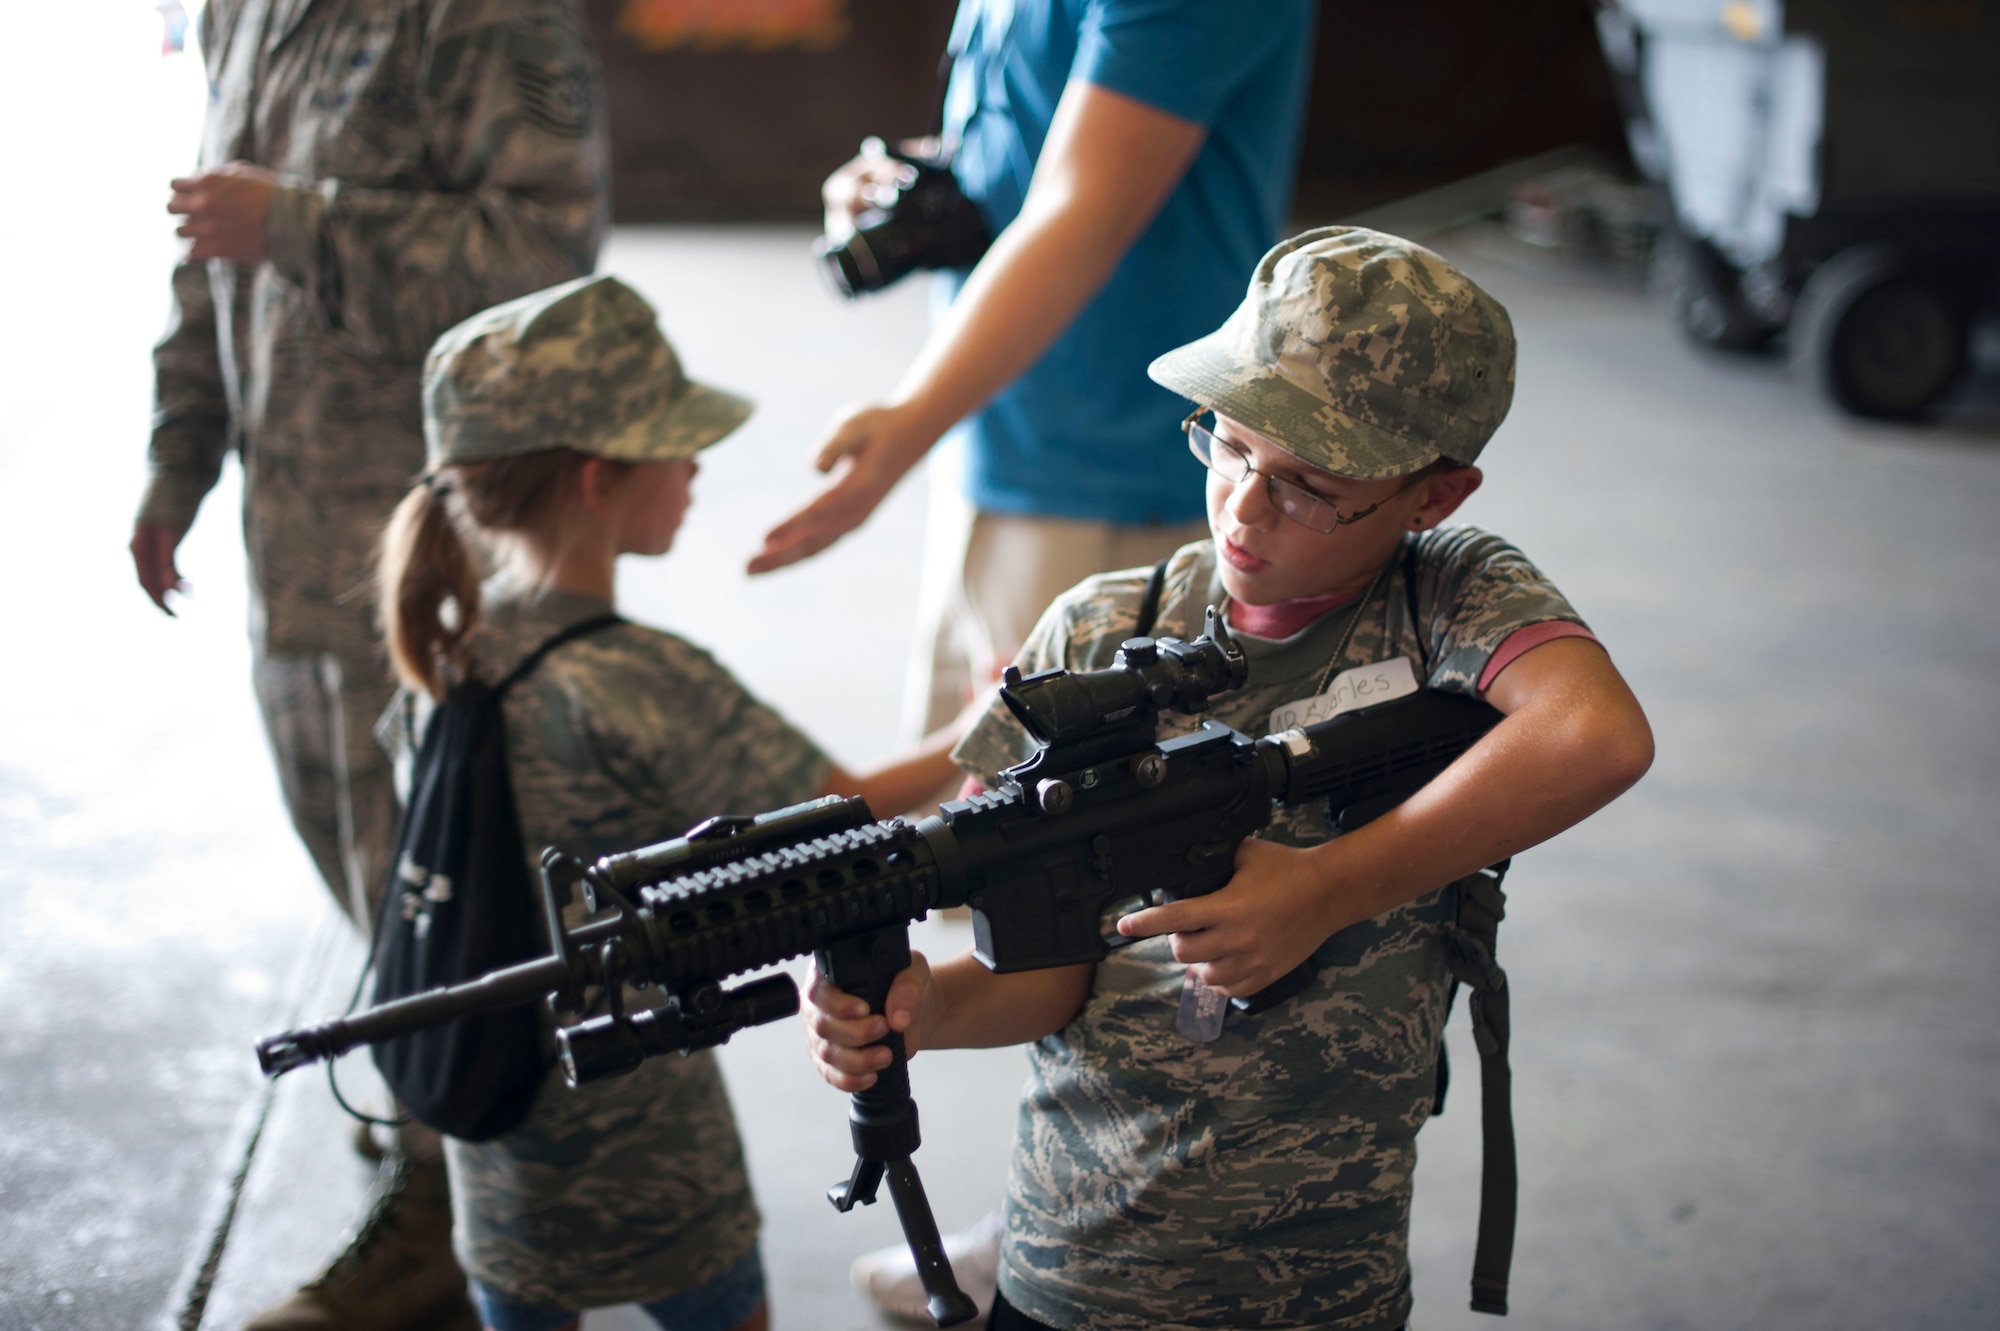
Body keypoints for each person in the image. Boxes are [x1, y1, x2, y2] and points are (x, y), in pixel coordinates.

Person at [803, 227, 1657, 1331]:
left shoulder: (1445, 597)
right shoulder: (1106, 624)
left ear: (1433, 495)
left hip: (1319, 1281)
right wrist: (927, 1009)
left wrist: (1323, 888)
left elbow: (1596, 736)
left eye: (1309, 484)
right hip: (1074, 1261)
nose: (1245, 507)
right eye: (1230, 445)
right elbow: (1048, 979)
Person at [370, 274, 973, 1331]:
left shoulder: (448, 644)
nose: (696, 466)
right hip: (647, 1151)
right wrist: (980, 726)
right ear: (600, 479)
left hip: (492, 1126)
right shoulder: (635, 677)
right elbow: (833, 809)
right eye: (675, 443)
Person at [131, 3, 609, 1325]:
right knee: (364, 865)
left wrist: (303, 222)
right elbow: (210, 250)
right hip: (294, 544)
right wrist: (181, 453)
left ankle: (454, 1214)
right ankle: (439, 1113)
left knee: (455, 895)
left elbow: (549, 258)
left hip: (438, 565)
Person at [750, 0, 1316, 745]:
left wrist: (908, 422)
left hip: (1113, 462)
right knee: (960, 784)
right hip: (994, 426)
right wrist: (907, 181)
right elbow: (1040, 131)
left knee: (1052, 806)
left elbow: (1084, 204)